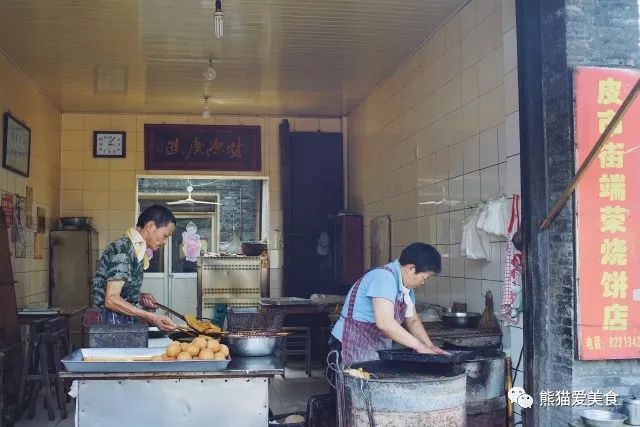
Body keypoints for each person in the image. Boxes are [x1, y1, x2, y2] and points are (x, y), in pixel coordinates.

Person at [329, 242, 447, 365]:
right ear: (411, 268)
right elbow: (385, 323)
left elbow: (412, 320)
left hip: (374, 347)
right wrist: (419, 346)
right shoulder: (384, 277)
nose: (423, 282)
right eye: (424, 277)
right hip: (349, 344)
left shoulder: (406, 288)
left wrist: (429, 347)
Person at [91, 204, 178, 331]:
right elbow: (111, 299)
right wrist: (151, 317)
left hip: (121, 321)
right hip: (109, 323)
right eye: (165, 236)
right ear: (150, 226)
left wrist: (139, 296)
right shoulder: (125, 250)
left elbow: (120, 291)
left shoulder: (136, 250)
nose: (165, 242)